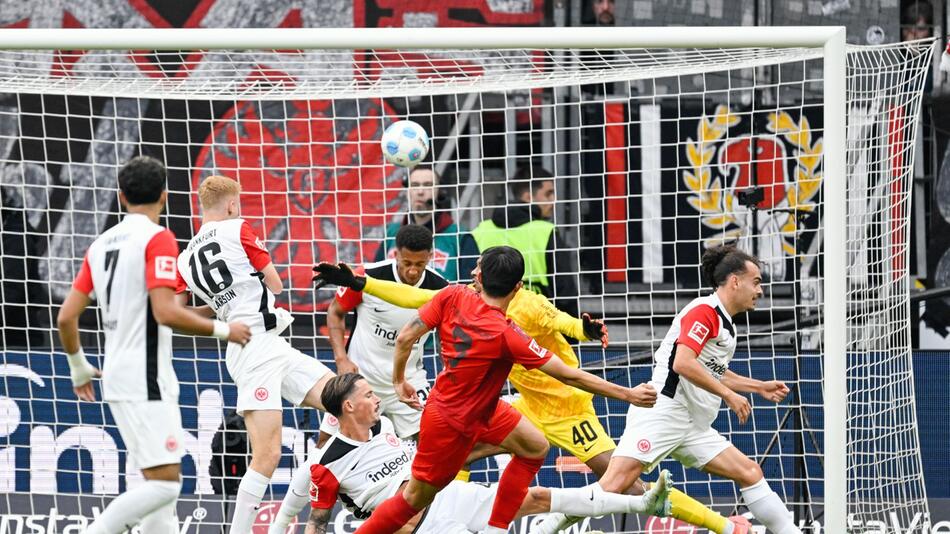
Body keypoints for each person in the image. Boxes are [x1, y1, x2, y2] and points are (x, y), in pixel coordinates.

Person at [310, 258, 752, 533]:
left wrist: (586, 329)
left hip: (562, 411)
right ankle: (468, 518)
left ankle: (716, 525)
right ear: (516, 284)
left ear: (482, 275)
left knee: (608, 474)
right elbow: (411, 294)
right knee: (437, 482)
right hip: (504, 406)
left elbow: (565, 328)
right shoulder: (481, 311)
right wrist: (361, 282)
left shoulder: (498, 304)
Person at [533, 244, 797, 534]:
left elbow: (712, 370)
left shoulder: (724, 323)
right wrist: (729, 396)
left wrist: (757, 386)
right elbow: (683, 363)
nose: (760, 291)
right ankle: (549, 524)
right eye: (756, 282)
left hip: (692, 424)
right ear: (735, 281)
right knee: (614, 485)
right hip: (663, 411)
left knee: (750, 472)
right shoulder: (704, 312)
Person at [55, 156, 252, 534]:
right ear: (164, 196)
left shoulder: (99, 245)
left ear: (120, 196)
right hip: (145, 379)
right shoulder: (157, 237)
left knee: (160, 487)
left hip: (119, 375)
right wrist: (228, 331)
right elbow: (165, 312)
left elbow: (66, 317)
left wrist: (78, 365)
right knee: (165, 484)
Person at [273, 373, 671, 534]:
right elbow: (315, 522)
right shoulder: (324, 464)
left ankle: (643, 503)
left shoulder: (387, 427)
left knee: (532, 498)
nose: (376, 399)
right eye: (368, 395)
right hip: (420, 525)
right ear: (348, 408)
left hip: (446, 495)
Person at [175, 175, 336, 534]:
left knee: (343, 398)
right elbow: (276, 284)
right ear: (232, 205)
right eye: (239, 203)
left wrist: (223, 308)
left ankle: (300, 510)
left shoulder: (185, 259)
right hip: (254, 348)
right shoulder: (238, 228)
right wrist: (242, 295)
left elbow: (178, 316)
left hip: (265, 343)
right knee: (267, 454)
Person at [324, 224, 448, 441]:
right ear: (396, 254)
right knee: (328, 443)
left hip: (409, 380)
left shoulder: (440, 288)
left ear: (430, 256)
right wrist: (341, 358)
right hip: (361, 380)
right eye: (407, 263)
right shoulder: (366, 276)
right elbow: (335, 311)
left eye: (420, 264)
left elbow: (446, 336)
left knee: (433, 443)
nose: (412, 271)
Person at [471, 165, 578, 315]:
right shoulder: (545, 231)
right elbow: (565, 293)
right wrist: (571, 335)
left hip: (488, 326)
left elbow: (466, 286)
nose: (554, 201)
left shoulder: (480, 232)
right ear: (528, 197)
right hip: (537, 327)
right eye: (548, 194)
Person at [375, 166, 478, 282]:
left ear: (440, 192)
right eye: (414, 185)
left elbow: (471, 289)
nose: (420, 192)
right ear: (407, 191)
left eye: (428, 185)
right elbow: (375, 279)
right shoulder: (391, 233)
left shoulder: (460, 237)